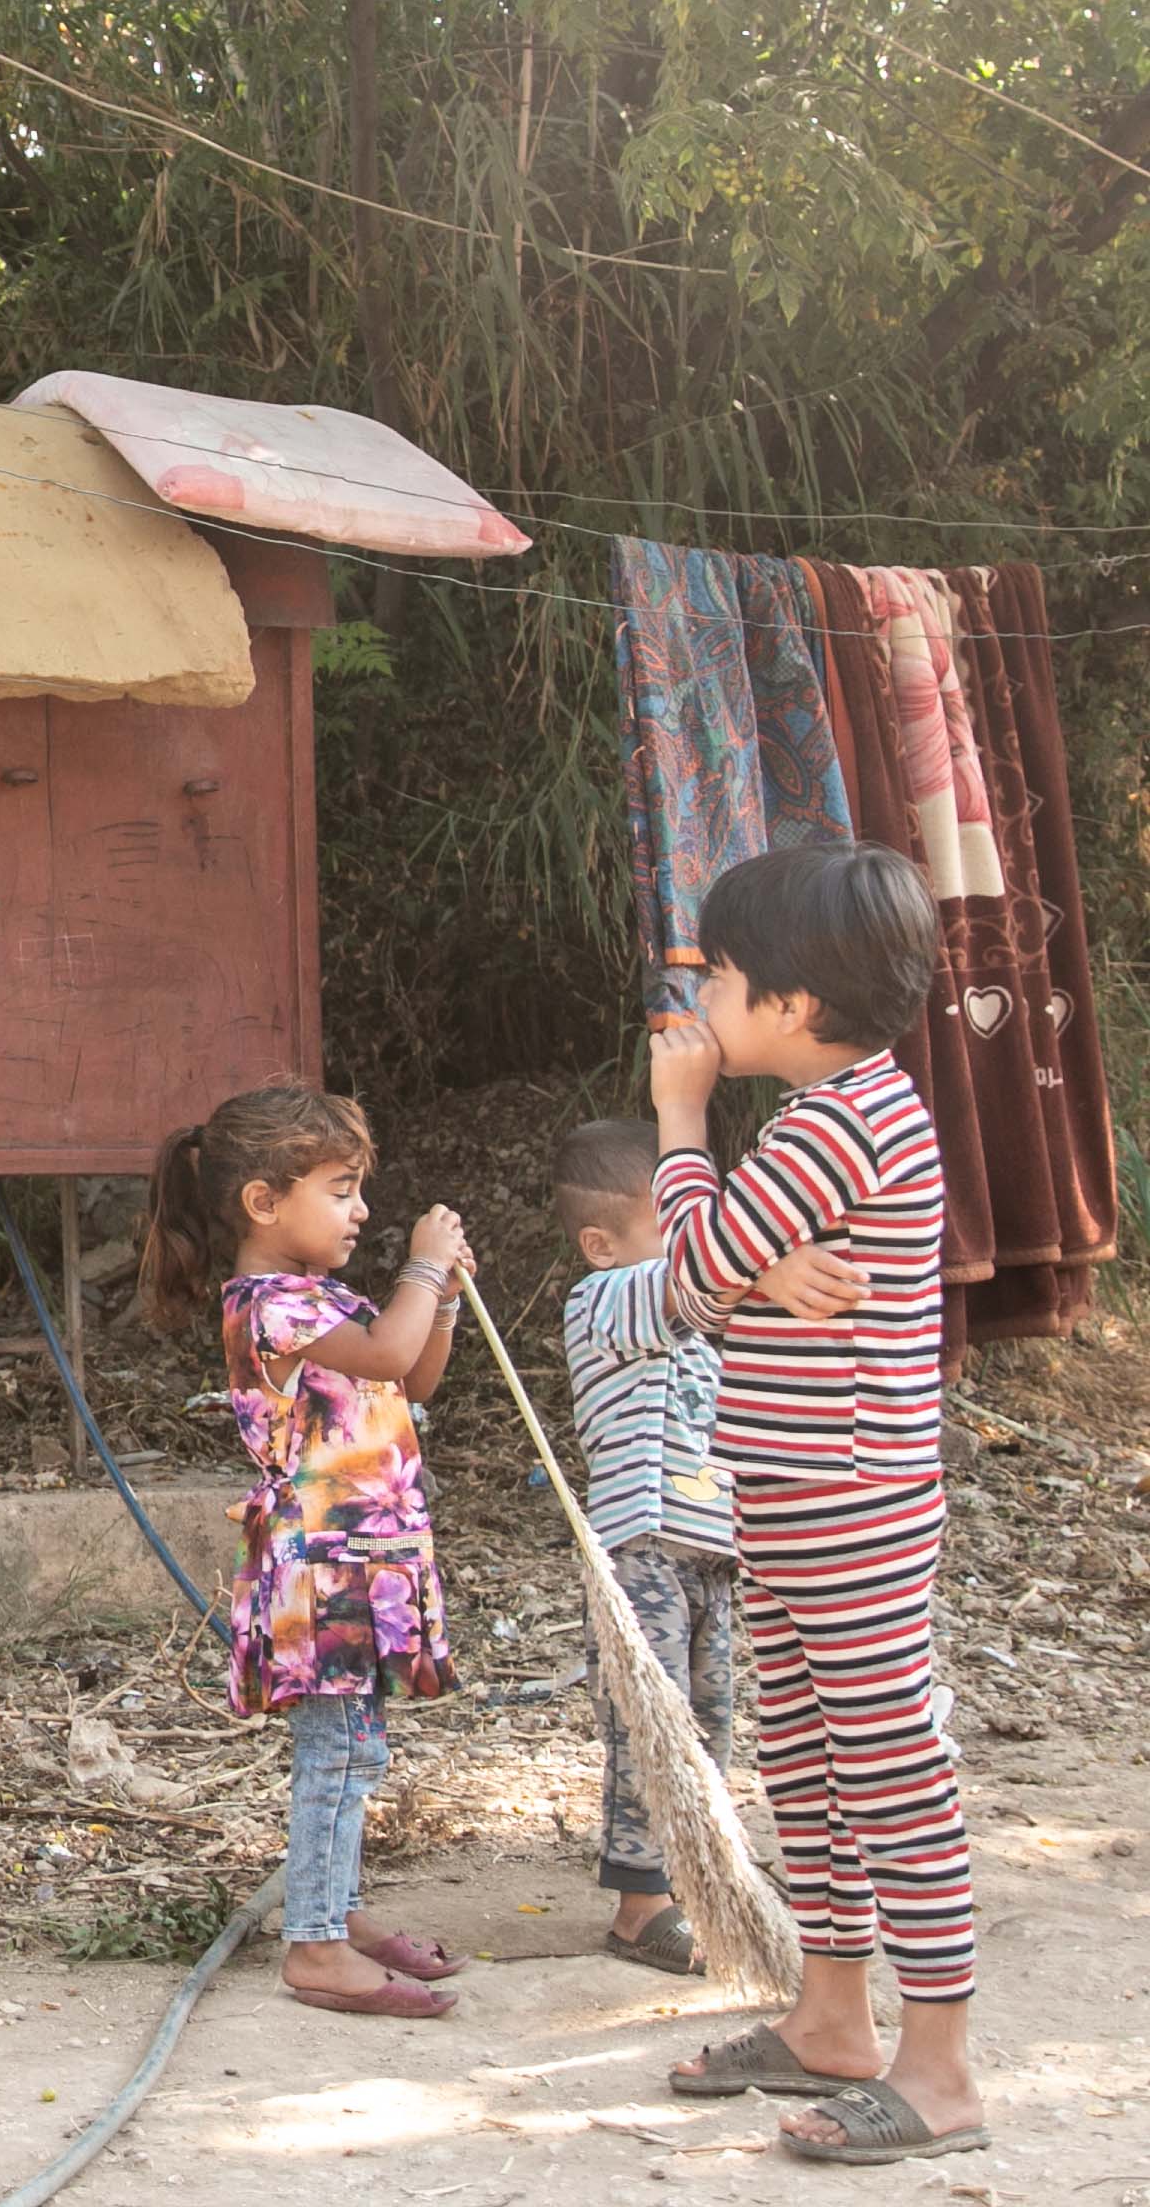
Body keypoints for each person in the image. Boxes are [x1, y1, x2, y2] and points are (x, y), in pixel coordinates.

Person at [646, 840, 984, 2167]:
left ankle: (942, 2069)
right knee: (810, 1761)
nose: (703, 1008)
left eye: (721, 980)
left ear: (790, 1008)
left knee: (891, 1768)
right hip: (802, 1492)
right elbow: (735, 1265)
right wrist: (753, 1262)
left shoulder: (837, 1125)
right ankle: (835, 2021)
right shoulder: (850, 1115)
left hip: (842, 1497)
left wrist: (680, 1121)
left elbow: (686, 1275)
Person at [140, 1086, 471, 2019]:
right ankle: (316, 1946)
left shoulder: (323, 1297)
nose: (360, 1210)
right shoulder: (268, 1305)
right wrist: (421, 1267)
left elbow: (412, 1368)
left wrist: (437, 1294)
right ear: (263, 1203)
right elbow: (385, 1350)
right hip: (322, 1568)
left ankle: (341, 1910)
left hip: (367, 1558)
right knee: (334, 1756)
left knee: (359, 1750)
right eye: (341, 1189)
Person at [554, 1114, 744, 1974]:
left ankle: (700, 1883)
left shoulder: (698, 1324)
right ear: (602, 1243)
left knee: (707, 1720)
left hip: (707, 1554)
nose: (699, 1245)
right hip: (642, 1552)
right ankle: (641, 1904)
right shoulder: (605, 1300)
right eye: (678, 1224)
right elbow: (700, 1284)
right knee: (651, 1726)